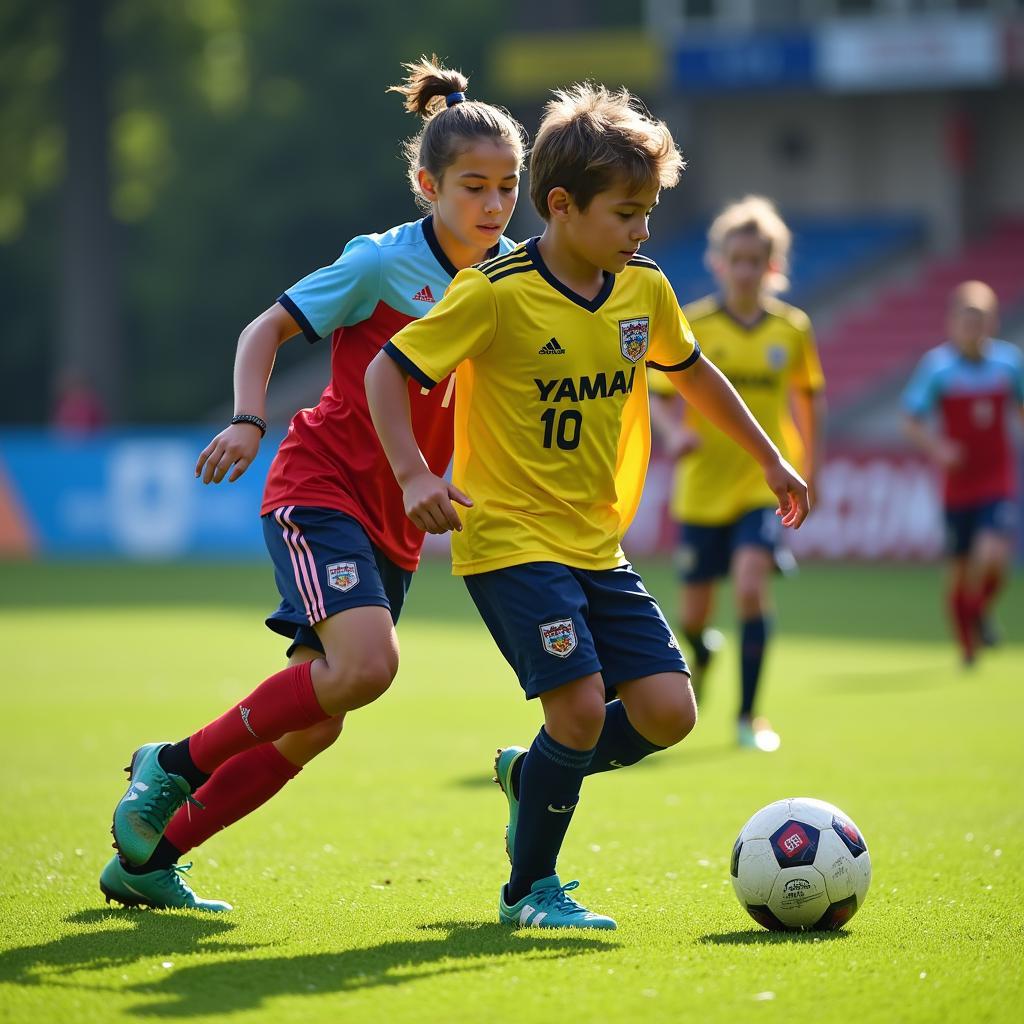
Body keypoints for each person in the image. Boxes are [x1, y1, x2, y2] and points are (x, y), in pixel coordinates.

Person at [365, 85, 809, 930]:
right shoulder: (494, 291)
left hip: (596, 544)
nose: (643, 229)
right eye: (627, 212)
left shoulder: (642, 288)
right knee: (574, 709)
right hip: (506, 539)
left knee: (669, 713)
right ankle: (528, 890)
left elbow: (695, 371)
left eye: (649, 211)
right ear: (562, 206)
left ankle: (531, 775)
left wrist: (771, 457)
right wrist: (416, 473)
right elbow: (389, 370)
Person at [101, 56, 525, 912]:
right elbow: (267, 329)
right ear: (427, 185)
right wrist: (247, 419)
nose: (492, 205)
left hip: (398, 517)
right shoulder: (379, 263)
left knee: (318, 719)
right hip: (321, 485)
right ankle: (172, 764)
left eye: (509, 187)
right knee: (367, 667)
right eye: (473, 186)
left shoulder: (512, 280)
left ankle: (149, 862)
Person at [648, 196, 825, 752]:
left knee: (750, 587)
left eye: (758, 259)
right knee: (692, 616)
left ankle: (749, 717)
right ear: (719, 262)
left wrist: (808, 471)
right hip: (700, 488)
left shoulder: (791, 330)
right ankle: (704, 651)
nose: (746, 269)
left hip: (759, 486)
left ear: (774, 266)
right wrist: (675, 435)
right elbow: (652, 395)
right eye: (737, 258)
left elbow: (808, 402)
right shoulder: (693, 324)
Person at [903, 280, 1023, 666]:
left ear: (992, 322)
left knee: (993, 559)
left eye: (981, 319)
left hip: (996, 477)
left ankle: (978, 613)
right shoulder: (938, 368)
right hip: (958, 483)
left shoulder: (1009, 364)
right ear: (952, 323)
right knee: (959, 570)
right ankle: (967, 646)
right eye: (966, 320)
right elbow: (913, 419)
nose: (973, 328)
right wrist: (939, 448)